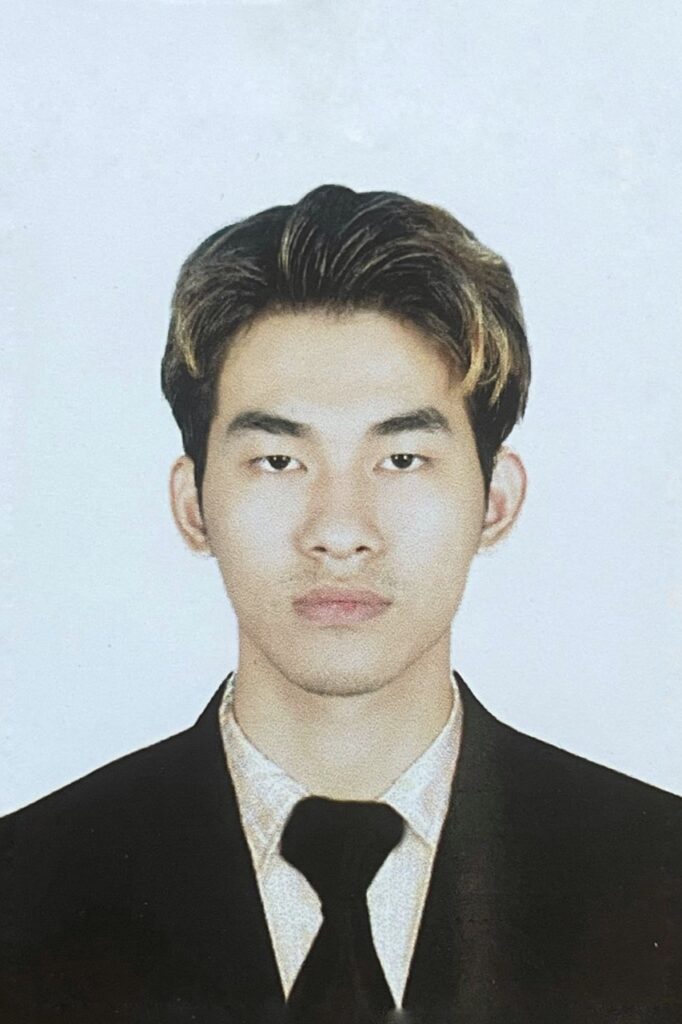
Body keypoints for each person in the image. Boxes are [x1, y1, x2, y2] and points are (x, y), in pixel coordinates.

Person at [1, 185, 681, 1024]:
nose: (339, 531)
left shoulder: (659, 877)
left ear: (497, 500)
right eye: (278, 461)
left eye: (402, 459)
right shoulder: (24, 889)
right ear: (193, 504)